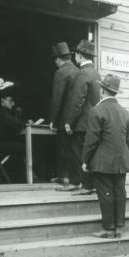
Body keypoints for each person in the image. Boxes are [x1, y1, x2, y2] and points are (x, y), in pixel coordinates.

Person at [82, 74, 129, 238]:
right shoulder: (125, 113)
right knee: (119, 192)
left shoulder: (96, 111)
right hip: (121, 161)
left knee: (105, 193)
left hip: (102, 162)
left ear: (102, 90)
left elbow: (91, 140)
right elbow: (128, 142)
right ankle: (119, 227)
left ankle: (108, 228)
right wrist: (122, 157)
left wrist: (85, 160)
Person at [59, 39, 101, 195]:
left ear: (79, 56)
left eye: (75, 54)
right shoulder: (96, 73)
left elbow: (77, 102)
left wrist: (69, 122)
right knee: (89, 153)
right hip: (93, 123)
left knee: (79, 155)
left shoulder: (82, 74)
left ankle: (86, 186)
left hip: (82, 124)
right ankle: (85, 184)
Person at [49, 42, 78, 186]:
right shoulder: (78, 71)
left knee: (63, 148)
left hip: (63, 119)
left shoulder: (60, 72)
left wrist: (52, 120)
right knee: (73, 149)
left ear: (58, 59)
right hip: (76, 119)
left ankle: (65, 177)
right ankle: (68, 177)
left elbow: (57, 98)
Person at [0, 91, 27, 182]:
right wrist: (25, 123)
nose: (13, 104)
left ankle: (18, 177)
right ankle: (20, 178)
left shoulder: (0, 110)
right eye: (11, 100)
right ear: (2, 101)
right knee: (23, 147)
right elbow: (14, 123)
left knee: (19, 146)